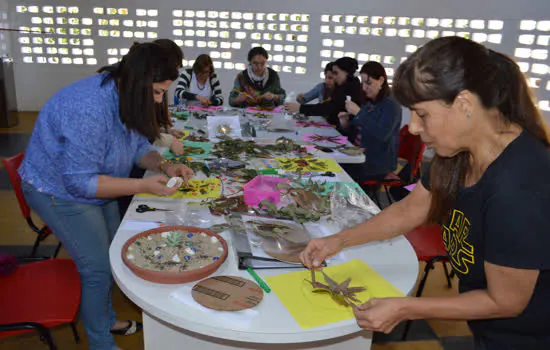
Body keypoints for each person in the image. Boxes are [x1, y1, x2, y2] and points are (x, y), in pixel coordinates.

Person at [300, 36, 550, 350]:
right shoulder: (455, 154)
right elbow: (410, 210)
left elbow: (506, 301)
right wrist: (338, 240)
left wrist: (405, 307)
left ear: (464, 105)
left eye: (422, 114)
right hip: (490, 331)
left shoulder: (520, 185)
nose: (414, 128)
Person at [19, 43, 194, 350]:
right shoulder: (89, 107)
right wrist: (142, 186)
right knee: (97, 268)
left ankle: (105, 319)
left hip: (95, 182)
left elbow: (138, 149)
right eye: (155, 92)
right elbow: (80, 185)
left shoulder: (126, 95)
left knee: (116, 252)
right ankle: (101, 342)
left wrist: (164, 164)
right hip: (58, 191)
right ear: (138, 81)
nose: (158, 100)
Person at [338, 61, 402, 183]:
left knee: (337, 172)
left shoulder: (391, 105)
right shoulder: (369, 102)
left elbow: (382, 135)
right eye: (362, 83)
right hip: (359, 156)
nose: (364, 87)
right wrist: (345, 123)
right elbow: (357, 131)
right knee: (333, 164)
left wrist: (359, 113)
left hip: (376, 164)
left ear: (381, 81)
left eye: (368, 83)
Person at [285, 56, 363, 126]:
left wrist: (301, 108)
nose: (334, 77)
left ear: (346, 72)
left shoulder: (352, 88)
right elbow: (327, 105)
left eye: (336, 73)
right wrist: (301, 104)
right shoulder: (339, 86)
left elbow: (329, 107)